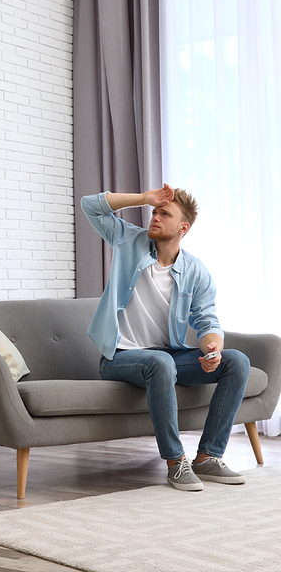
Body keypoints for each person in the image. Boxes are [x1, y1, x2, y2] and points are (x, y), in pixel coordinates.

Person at [81, 185, 251, 491]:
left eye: (164, 213)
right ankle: (175, 462)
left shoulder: (196, 272)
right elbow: (90, 205)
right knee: (160, 362)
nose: (155, 217)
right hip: (119, 358)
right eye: (154, 212)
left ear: (183, 227)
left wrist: (213, 347)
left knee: (236, 361)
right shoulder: (128, 240)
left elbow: (207, 322)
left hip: (168, 357)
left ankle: (208, 457)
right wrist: (145, 198)